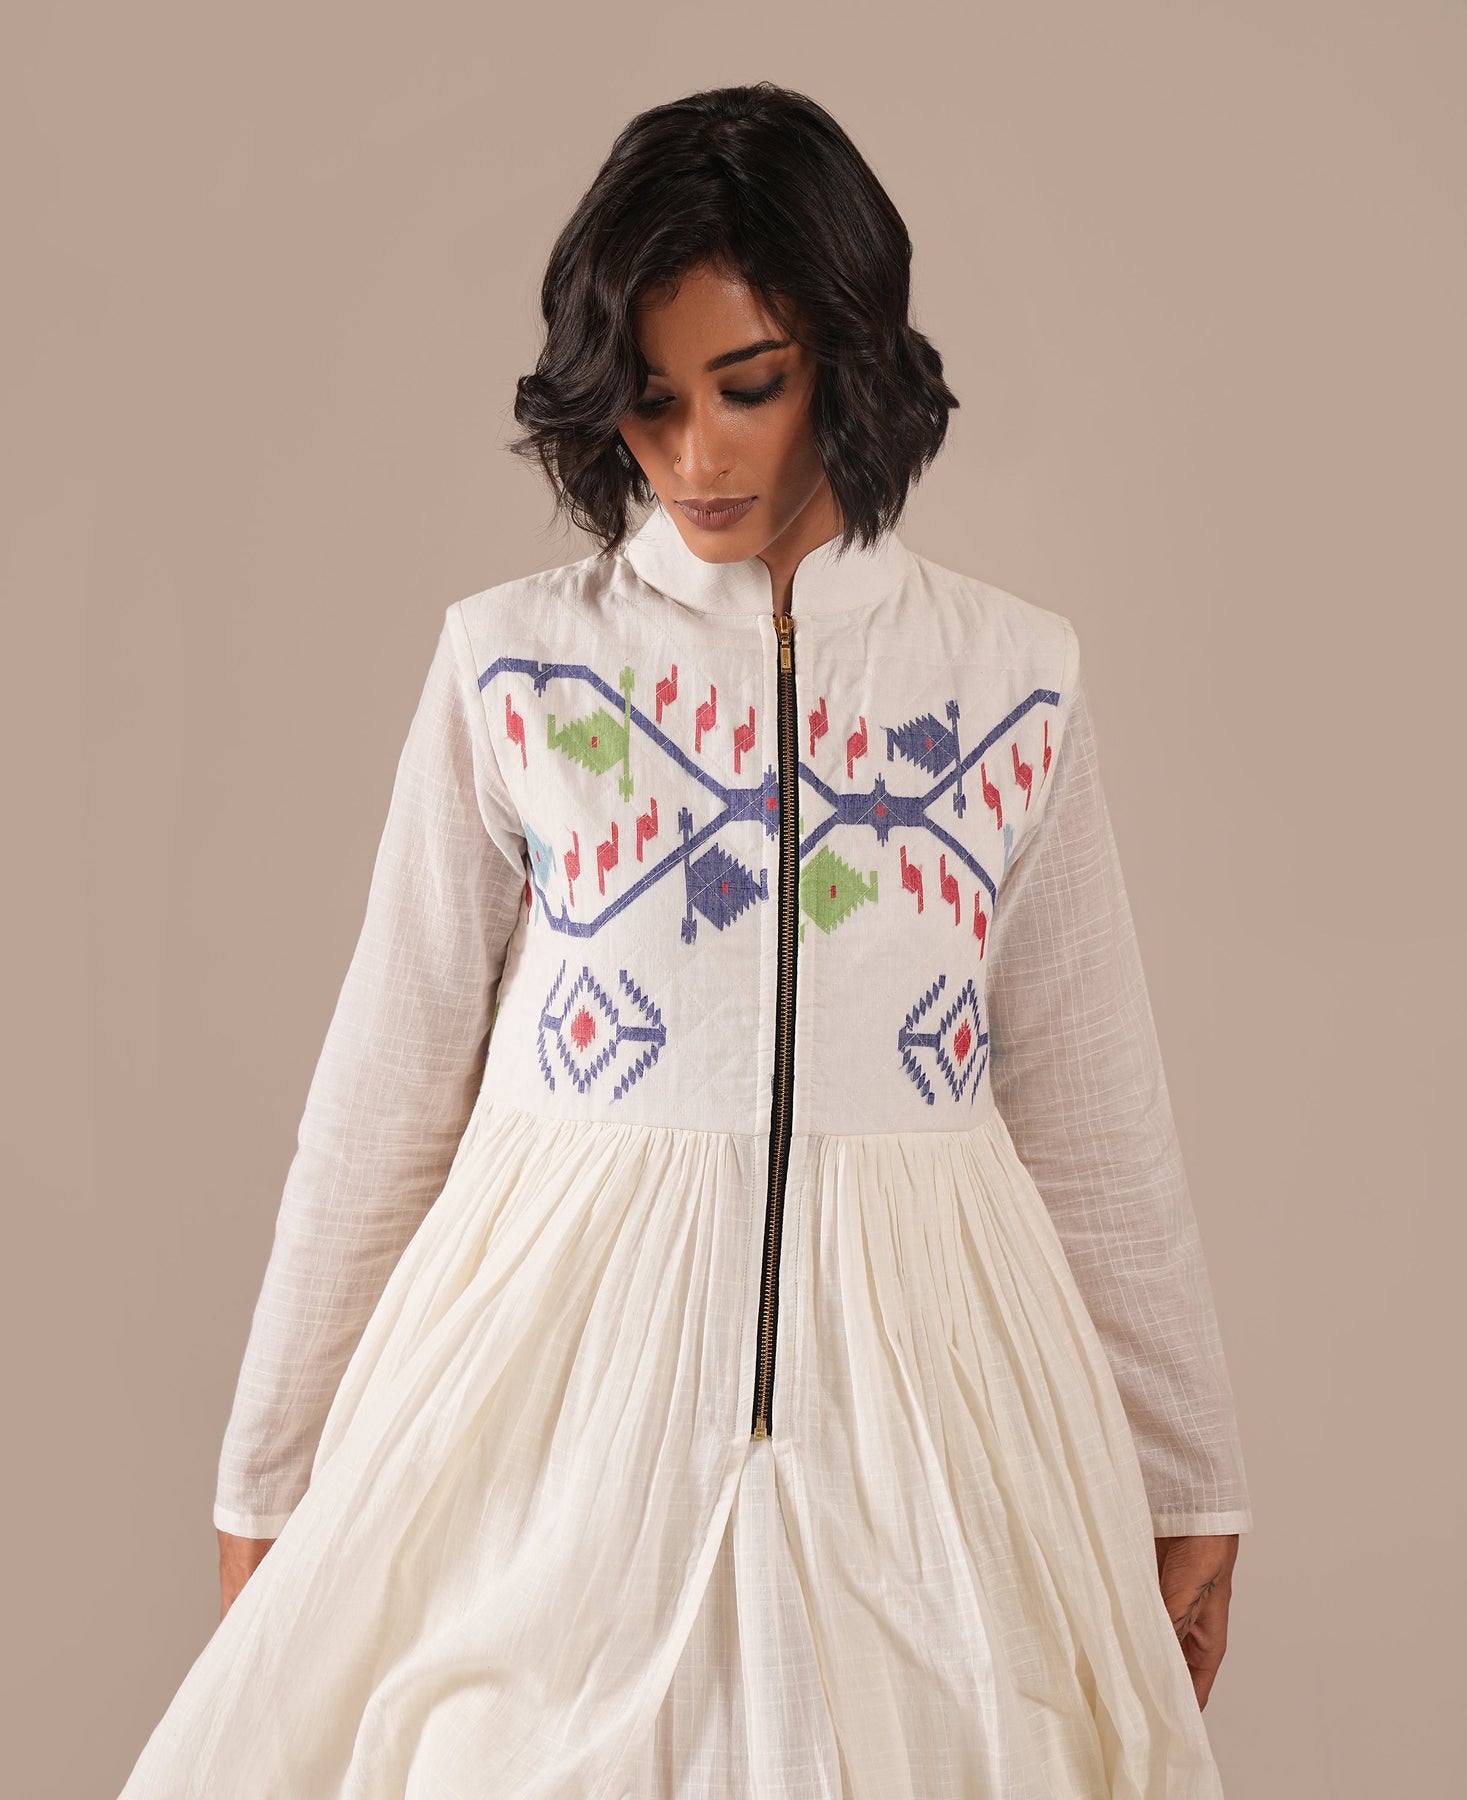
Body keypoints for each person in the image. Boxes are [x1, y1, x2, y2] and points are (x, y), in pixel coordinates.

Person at [117, 80, 1253, 1800]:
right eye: (649, 401)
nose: (696, 456)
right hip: (555, 1404)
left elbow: (1096, 1106)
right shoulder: (515, 667)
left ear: (849, 362)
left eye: (749, 386)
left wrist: (1190, 1469)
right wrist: (269, 1473)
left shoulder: (1011, 679)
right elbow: (386, 1087)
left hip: (932, 1409)